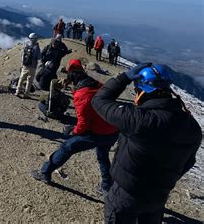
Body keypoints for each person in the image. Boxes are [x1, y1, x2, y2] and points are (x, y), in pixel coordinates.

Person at [91, 63, 202, 223]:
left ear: (143, 91)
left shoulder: (140, 120)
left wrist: (124, 78)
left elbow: (99, 100)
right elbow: (188, 162)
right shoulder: (193, 127)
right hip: (158, 197)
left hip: (126, 195)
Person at [31, 59, 119, 194]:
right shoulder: (98, 84)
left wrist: (74, 132)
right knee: (102, 155)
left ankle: (45, 172)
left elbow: (83, 122)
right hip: (112, 129)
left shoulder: (81, 95)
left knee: (67, 146)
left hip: (98, 132)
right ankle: (106, 186)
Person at [15, 33, 41, 98]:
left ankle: (17, 92)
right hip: (32, 66)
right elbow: (38, 57)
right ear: (35, 39)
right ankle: (26, 94)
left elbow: (22, 54)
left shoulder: (26, 45)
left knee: (21, 79)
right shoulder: (36, 47)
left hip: (25, 65)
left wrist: (22, 63)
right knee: (29, 81)